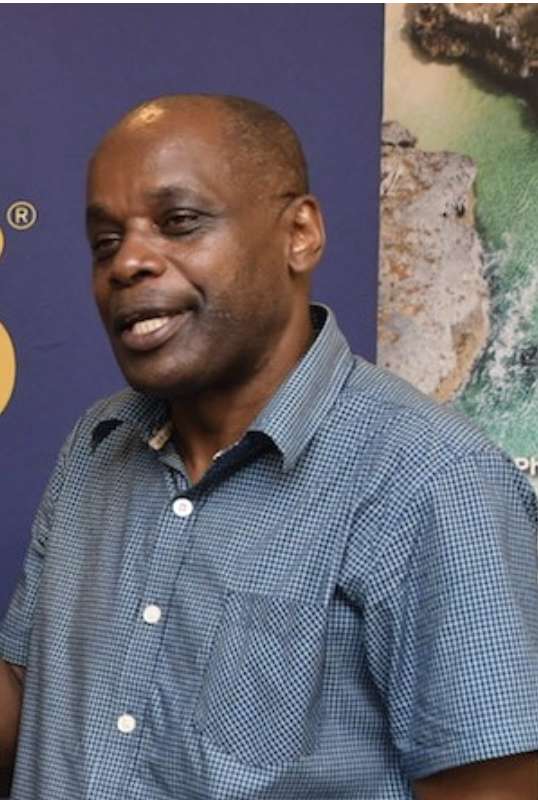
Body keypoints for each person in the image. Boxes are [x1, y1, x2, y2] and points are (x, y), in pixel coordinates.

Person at [1, 94, 538, 800]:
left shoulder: (434, 478)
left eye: (179, 222)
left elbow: (495, 787)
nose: (127, 261)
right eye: (106, 241)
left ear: (300, 233)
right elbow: (25, 696)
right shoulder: (98, 443)